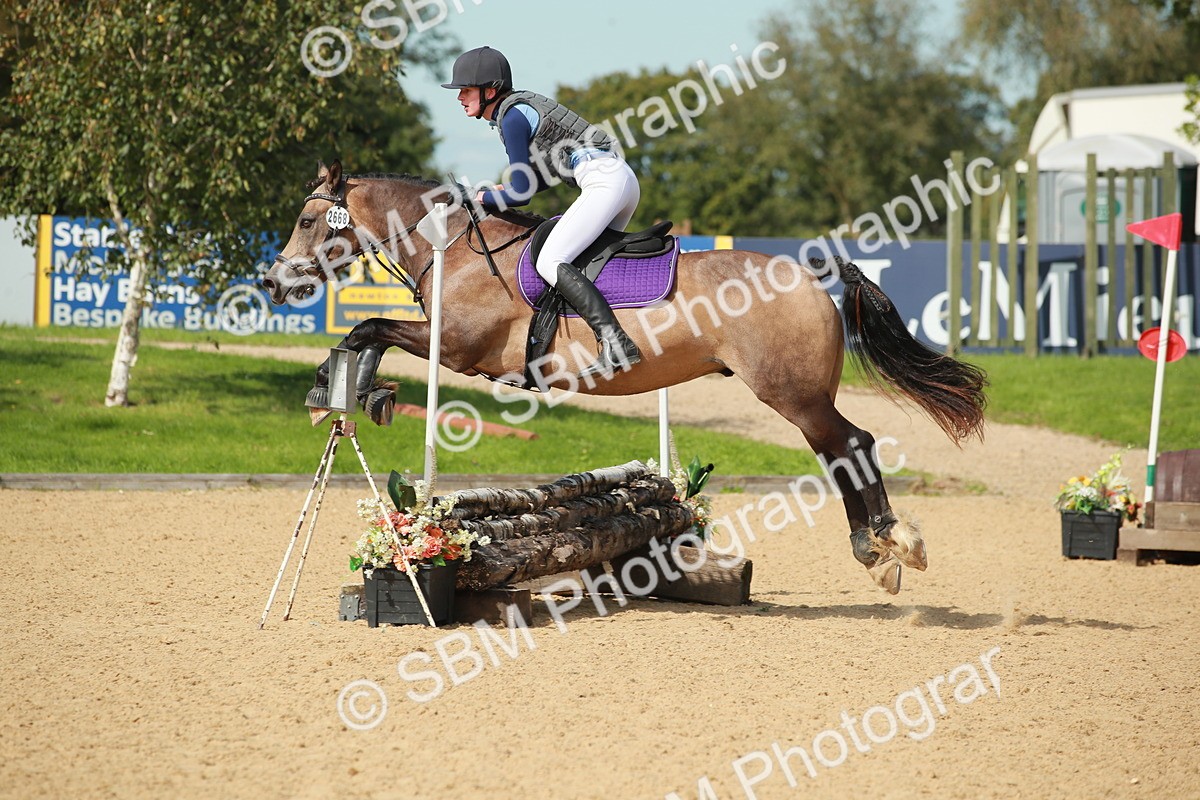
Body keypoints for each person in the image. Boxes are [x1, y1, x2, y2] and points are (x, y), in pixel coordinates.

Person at [441, 45, 642, 378]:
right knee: (583, 264)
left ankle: (616, 342)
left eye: (465, 90)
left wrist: (478, 196)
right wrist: (491, 193)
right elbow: (532, 185)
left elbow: (520, 193)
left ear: (489, 91)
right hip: (618, 179)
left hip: (604, 181)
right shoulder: (519, 108)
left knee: (550, 260)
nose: (459, 97)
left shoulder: (512, 117)